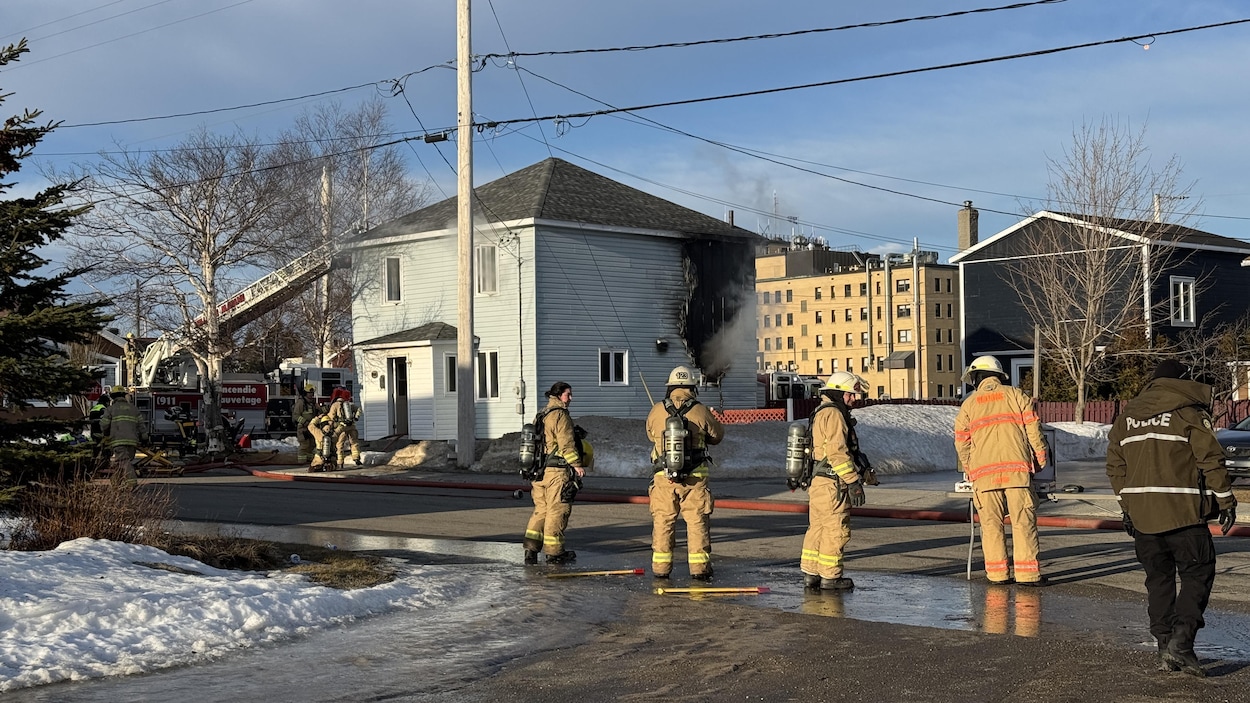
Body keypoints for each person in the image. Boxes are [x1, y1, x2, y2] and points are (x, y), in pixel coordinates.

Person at [1106, 359, 1238, 677]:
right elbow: (1210, 458)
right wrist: (1226, 500)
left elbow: (1115, 466)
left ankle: (1165, 644)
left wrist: (1127, 507)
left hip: (1143, 520)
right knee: (1197, 574)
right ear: (1182, 381)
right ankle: (1182, 642)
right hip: (1184, 515)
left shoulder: (1126, 418)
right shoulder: (1188, 413)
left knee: (1158, 581)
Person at [954, 355, 1049, 586]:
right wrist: (1040, 459)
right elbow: (1033, 430)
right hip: (1016, 472)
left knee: (991, 525)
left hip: (984, 477)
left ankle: (998, 575)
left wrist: (970, 468)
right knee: (1022, 522)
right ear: (998, 375)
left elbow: (961, 442)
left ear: (976, 377)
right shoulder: (1016, 395)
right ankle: (1027, 575)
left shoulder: (969, 404)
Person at [645, 365, 724, 580]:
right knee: (697, 522)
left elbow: (651, 435)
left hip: (663, 477)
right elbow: (717, 436)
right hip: (695, 478)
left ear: (669, 387)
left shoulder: (657, 409)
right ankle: (699, 569)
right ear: (692, 387)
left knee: (663, 522)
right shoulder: (700, 409)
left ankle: (661, 569)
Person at [799, 371, 869, 591]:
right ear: (839, 392)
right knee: (835, 529)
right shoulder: (835, 415)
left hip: (819, 482)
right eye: (850, 395)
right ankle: (831, 577)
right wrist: (853, 481)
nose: (854, 399)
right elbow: (837, 453)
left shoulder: (822, 411)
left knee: (817, 528)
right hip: (833, 484)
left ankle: (812, 573)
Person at [522, 382, 585, 564]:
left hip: (539, 473)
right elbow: (566, 443)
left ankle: (530, 550)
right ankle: (554, 552)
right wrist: (576, 464)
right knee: (557, 511)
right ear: (559, 396)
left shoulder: (541, 414)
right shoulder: (560, 415)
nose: (570, 398)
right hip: (556, 472)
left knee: (541, 510)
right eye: (568, 394)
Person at [99, 385, 145, 486]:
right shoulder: (134, 409)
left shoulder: (110, 409)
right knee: (122, 462)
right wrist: (144, 437)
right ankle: (116, 483)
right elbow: (142, 425)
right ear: (124, 396)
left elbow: (104, 425)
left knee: (123, 462)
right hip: (132, 441)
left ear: (113, 397)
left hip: (118, 441)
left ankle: (132, 483)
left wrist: (105, 434)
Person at [326, 387, 363, 468]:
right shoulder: (349, 404)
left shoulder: (335, 405)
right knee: (354, 442)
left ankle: (340, 462)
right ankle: (356, 458)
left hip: (342, 427)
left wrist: (329, 427)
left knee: (339, 444)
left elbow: (331, 418)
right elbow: (359, 409)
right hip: (352, 426)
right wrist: (356, 417)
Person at [292, 383, 318, 464]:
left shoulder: (312, 403)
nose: (311, 395)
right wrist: (305, 422)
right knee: (304, 445)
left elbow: (319, 411)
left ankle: (309, 461)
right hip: (303, 428)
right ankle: (301, 462)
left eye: (312, 393)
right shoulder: (301, 402)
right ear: (305, 393)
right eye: (309, 393)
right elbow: (295, 415)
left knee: (312, 445)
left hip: (311, 428)